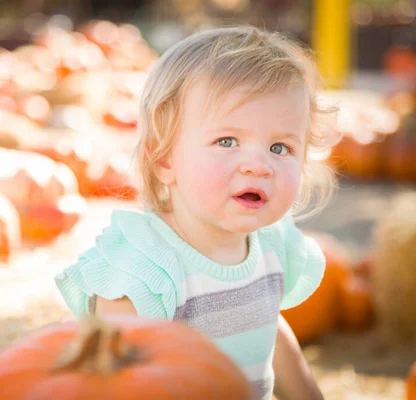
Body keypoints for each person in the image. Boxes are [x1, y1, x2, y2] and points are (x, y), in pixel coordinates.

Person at [55, 25, 339, 400]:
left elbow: (268, 328)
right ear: (164, 159)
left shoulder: (274, 244)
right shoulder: (145, 271)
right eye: (227, 141)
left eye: (280, 147)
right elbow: (120, 385)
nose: (258, 165)